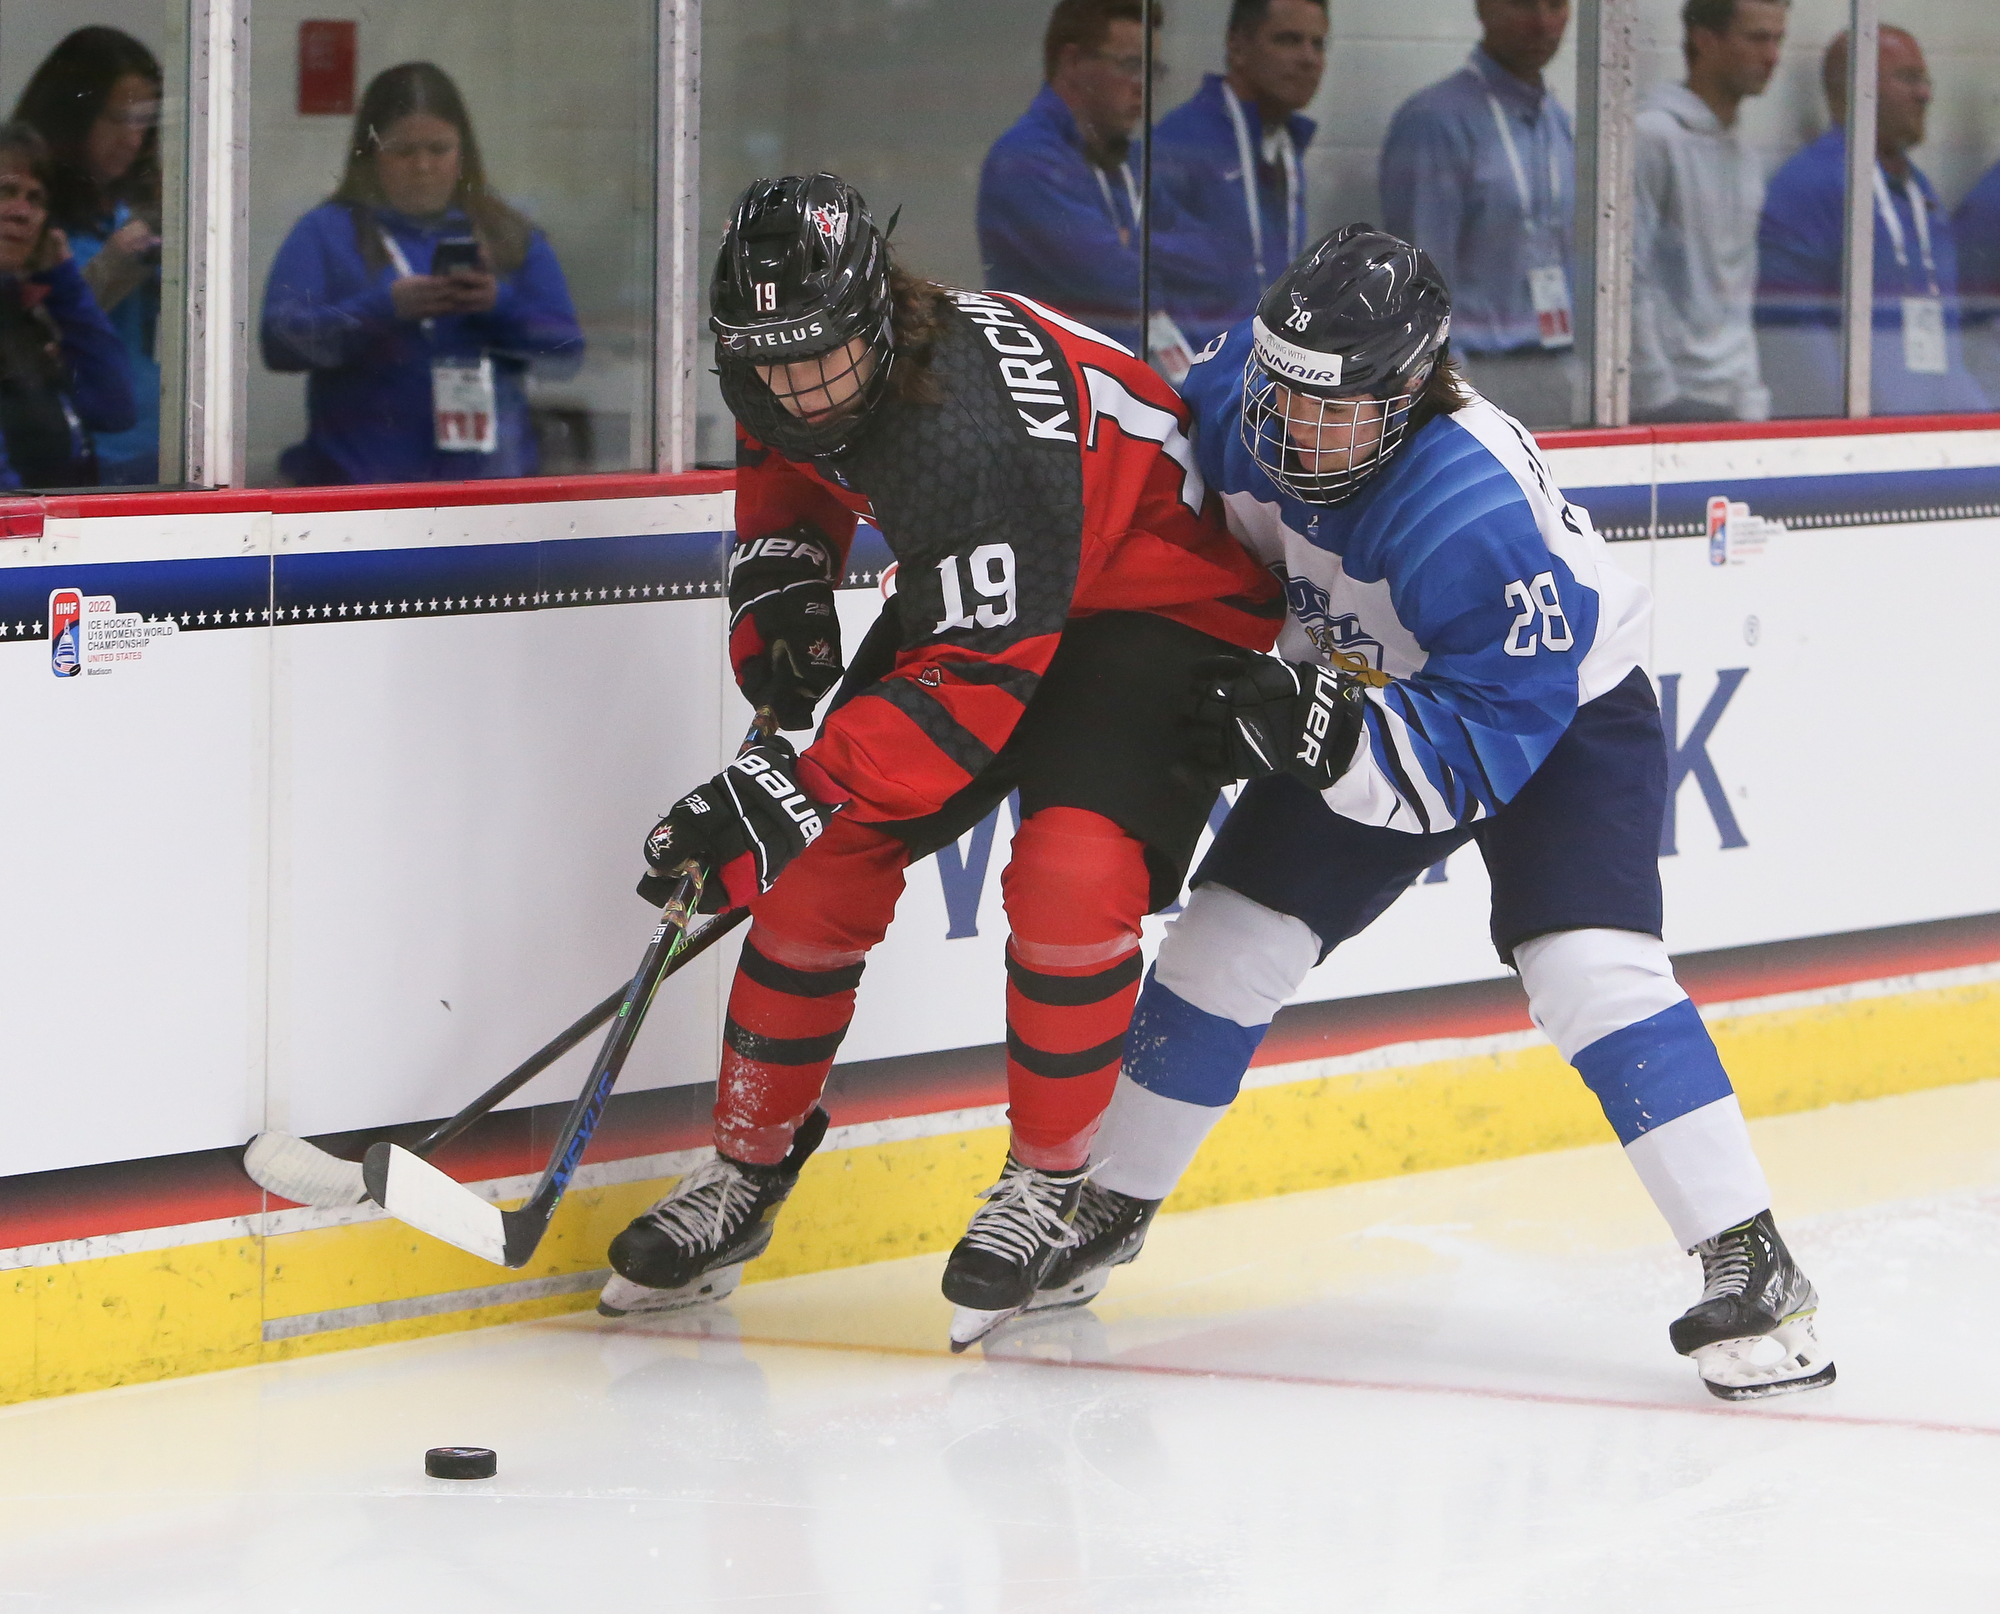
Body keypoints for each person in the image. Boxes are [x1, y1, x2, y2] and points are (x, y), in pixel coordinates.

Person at [1035, 225, 1836, 1403]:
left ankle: (1749, 1255)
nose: (1290, 430)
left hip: (1553, 715)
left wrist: (1313, 729)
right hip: (1363, 689)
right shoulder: (1232, 397)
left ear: (1407, 392)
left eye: (1332, 408)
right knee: (1225, 940)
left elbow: (1462, 763)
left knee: (1587, 967)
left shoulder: (1473, 509)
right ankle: (1107, 1201)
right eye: (1280, 392)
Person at [593, 173, 1282, 1349]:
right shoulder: (799, 357)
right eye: (767, 366)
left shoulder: (967, 430)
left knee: (1069, 875)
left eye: (819, 361)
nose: (797, 389)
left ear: (880, 318)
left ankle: (1052, 1189)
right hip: (1000, 588)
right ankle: (745, 1172)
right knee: (815, 872)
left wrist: (778, 792)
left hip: (1161, 603)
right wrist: (784, 573)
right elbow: (792, 460)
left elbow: (966, 698)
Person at [260, 62, 584, 485]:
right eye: (403, 151)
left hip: (491, 487)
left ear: (462, 153)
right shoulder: (328, 230)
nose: (423, 166)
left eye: (438, 149)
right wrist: (383, 308)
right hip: (359, 490)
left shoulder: (506, 233)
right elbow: (278, 343)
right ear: (371, 153)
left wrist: (498, 305)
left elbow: (566, 353)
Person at [1757, 26, 1986, 418]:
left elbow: (1946, 335)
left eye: (1925, 80)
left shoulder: (1919, 190)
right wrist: (1852, 432)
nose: (1925, 94)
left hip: (1932, 434)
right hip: (1862, 442)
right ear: (1854, 87)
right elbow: (1793, 333)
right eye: (1908, 79)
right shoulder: (1809, 187)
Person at [1379, 0, 1580, 428]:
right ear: (1484, 7)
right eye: (1525, 4)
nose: (1542, 22)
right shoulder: (1434, 122)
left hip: (1557, 372)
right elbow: (1421, 285)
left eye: (1556, 5)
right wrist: (1451, 399)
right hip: (1474, 383)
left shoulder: (1559, 123)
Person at [978, 0, 1214, 362]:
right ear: (1073, 62)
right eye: (1131, 66)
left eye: (1152, 70)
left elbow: (1204, 264)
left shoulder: (1127, 161)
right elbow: (1118, 286)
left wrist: (1128, 242)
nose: (1144, 87)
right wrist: (1145, 251)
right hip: (1057, 396)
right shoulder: (1024, 161)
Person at [13, 27, 163, 485]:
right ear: (73, 115)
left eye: (145, 121)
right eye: (118, 118)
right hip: (70, 457)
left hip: (157, 446)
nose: (133, 139)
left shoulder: (122, 210)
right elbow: (34, 331)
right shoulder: (26, 218)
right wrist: (115, 262)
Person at [1630, 0, 1787, 424]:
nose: (1773, 56)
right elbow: (1627, 278)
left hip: (1738, 397)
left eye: (1778, 39)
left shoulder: (1745, 154)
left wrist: (1750, 393)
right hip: (1670, 403)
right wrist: (1657, 395)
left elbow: (1737, 288)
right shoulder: (1652, 136)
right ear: (1705, 40)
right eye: (1757, 38)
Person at [1153, 0, 1326, 346]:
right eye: (1288, 40)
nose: (1308, 58)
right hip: (1197, 381)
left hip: (1260, 372)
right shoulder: (1181, 144)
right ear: (1237, 46)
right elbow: (1146, 282)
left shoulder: (1283, 145)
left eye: (1318, 44)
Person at [0, 122, 135, 490]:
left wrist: (66, 284)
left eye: (35, 198)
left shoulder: (22, 312)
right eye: (7, 191)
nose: (22, 212)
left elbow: (114, 407)